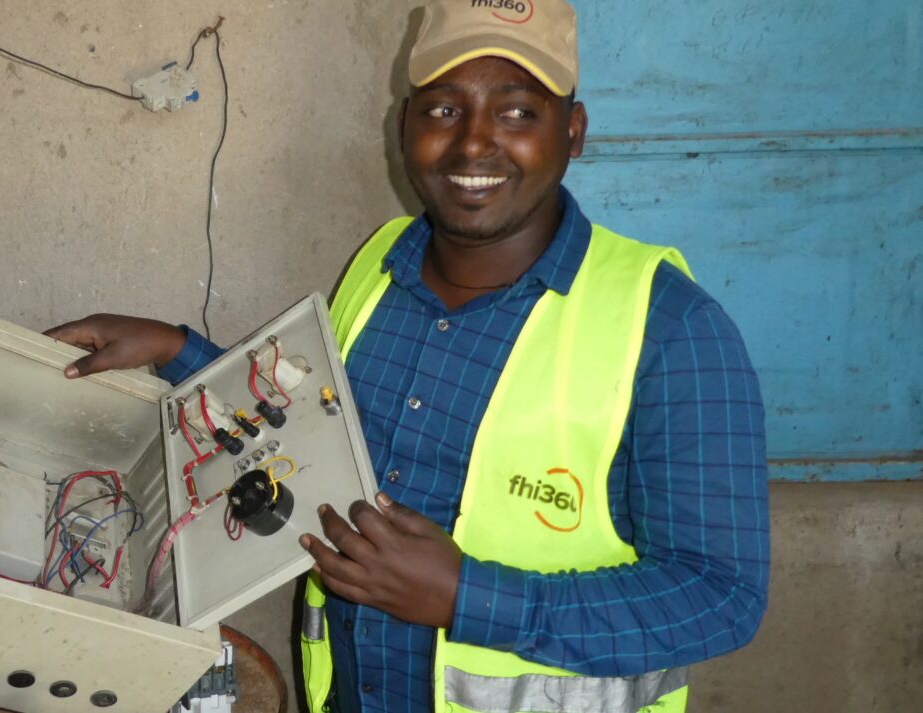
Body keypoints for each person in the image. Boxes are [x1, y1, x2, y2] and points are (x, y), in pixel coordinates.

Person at [46, 1, 769, 711]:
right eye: (444, 110)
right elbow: (312, 430)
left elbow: (719, 598)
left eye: (517, 111)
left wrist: (467, 596)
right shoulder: (383, 261)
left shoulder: (671, 327)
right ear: (403, 127)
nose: (474, 144)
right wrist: (180, 351)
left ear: (573, 131)